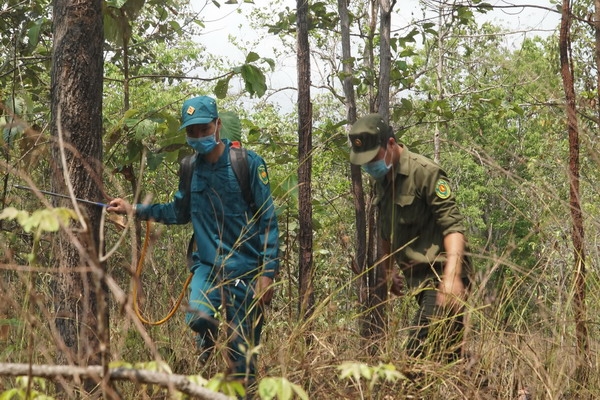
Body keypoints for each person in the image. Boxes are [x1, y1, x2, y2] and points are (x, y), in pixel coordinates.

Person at [107, 95, 280, 388]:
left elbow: (268, 222)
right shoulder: (189, 168)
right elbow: (178, 212)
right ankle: (207, 344)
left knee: (243, 362)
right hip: (207, 268)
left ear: (217, 125)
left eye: (204, 128)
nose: (198, 136)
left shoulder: (246, 164)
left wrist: (267, 274)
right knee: (198, 319)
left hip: (246, 272)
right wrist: (133, 209)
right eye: (192, 131)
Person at [347, 113, 471, 363]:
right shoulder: (383, 180)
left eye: (374, 158)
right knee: (446, 357)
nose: (370, 165)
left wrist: (452, 277)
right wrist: (389, 269)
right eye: (365, 162)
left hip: (441, 276)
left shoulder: (425, 173)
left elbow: (454, 227)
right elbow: (386, 230)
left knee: (417, 355)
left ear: (391, 144)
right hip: (418, 280)